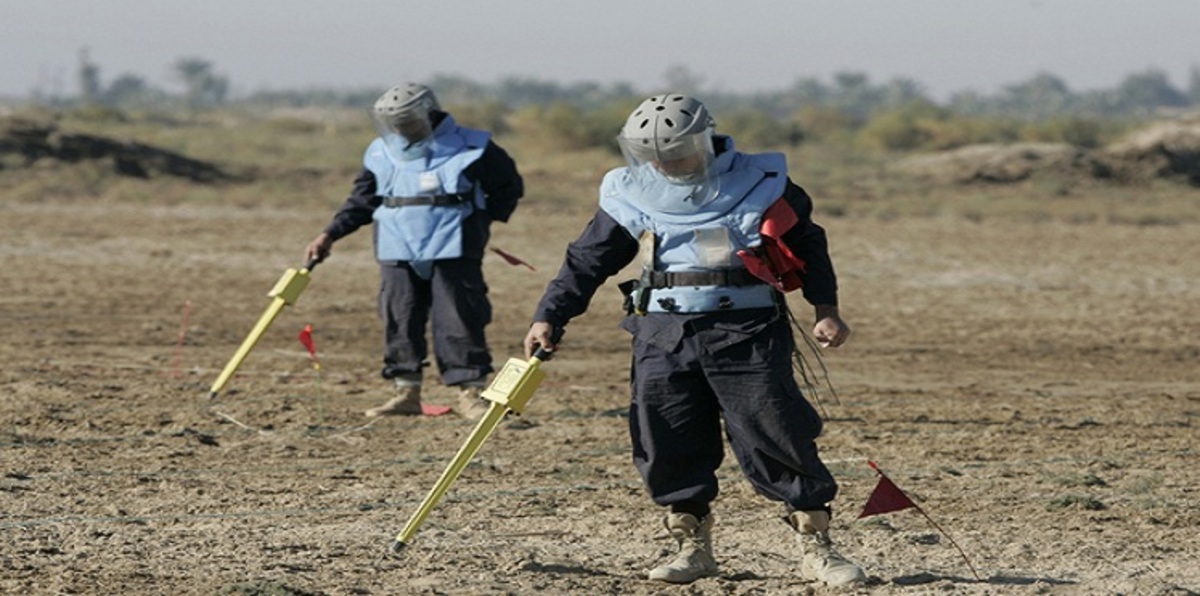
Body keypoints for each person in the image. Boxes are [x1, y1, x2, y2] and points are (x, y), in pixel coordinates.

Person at [523, 94, 866, 587]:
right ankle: (692, 546)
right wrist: (549, 316)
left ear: (704, 140)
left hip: (748, 330)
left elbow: (808, 244)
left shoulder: (763, 181)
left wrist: (826, 309)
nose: (663, 164)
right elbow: (587, 259)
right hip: (661, 333)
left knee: (776, 431)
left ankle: (816, 546)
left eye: (675, 153)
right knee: (667, 435)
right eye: (651, 155)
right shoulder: (630, 190)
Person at [306, 82, 523, 420]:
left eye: (406, 121)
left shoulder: (474, 146)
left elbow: (508, 187)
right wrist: (330, 234)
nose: (399, 129)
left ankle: (470, 393)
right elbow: (362, 200)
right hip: (395, 245)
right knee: (399, 316)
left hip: (455, 244)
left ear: (427, 113)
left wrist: (480, 222)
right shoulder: (380, 153)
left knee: (459, 317)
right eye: (393, 123)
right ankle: (406, 392)